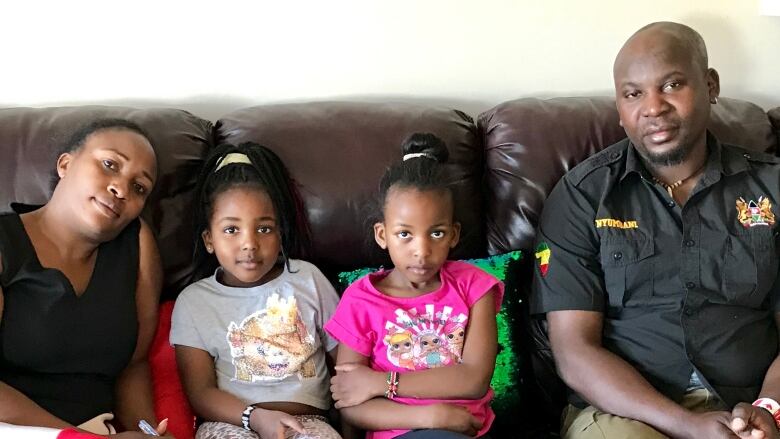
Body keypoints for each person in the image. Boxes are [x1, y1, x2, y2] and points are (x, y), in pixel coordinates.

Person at [532, 21, 780, 439]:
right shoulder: (583, 196)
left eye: (671, 85)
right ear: (619, 107)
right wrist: (686, 425)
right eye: (633, 94)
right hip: (628, 415)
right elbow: (574, 352)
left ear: (710, 85)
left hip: (753, 405)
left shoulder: (770, 187)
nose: (653, 107)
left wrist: (770, 410)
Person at [325, 133, 503, 439]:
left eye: (436, 234)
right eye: (404, 234)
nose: (421, 251)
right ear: (382, 235)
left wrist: (381, 383)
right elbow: (349, 400)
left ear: (454, 234)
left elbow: (474, 379)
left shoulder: (475, 286)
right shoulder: (361, 300)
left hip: (465, 431)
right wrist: (431, 416)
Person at [0, 119, 169, 438]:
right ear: (66, 163)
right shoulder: (4, 242)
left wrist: (148, 432)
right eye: (110, 164)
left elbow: (132, 367)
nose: (121, 188)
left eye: (139, 187)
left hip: (92, 429)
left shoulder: (137, 243)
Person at [170, 142, 343, 439]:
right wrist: (255, 417)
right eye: (231, 230)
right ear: (209, 239)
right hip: (232, 422)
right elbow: (200, 392)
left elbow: (347, 361)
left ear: (280, 233)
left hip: (307, 422)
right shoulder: (194, 301)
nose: (249, 244)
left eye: (263, 228)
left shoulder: (307, 279)